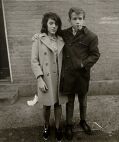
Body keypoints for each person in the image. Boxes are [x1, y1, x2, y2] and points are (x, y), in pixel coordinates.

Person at [60, 7, 100, 140]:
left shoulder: (91, 36)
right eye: (74, 19)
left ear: (84, 20)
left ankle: (83, 121)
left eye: (80, 19)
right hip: (69, 75)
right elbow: (50, 35)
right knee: (69, 101)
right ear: (69, 20)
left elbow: (95, 54)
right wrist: (39, 35)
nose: (78, 22)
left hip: (82, 75)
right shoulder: (64, 34)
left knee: (83, 101)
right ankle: (69, 125)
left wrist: (84, 63)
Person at [31, 12, 68, 141]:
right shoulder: (39, 39)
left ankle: (58, 128)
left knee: (58, 105)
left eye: (56, 24)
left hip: (59, 78)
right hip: (45, 79)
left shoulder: (62, 39)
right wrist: (39, 79)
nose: (54, 26)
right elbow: (34, 61)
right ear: (45, 24)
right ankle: (46, 126)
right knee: (46, 105)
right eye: (51, 23)